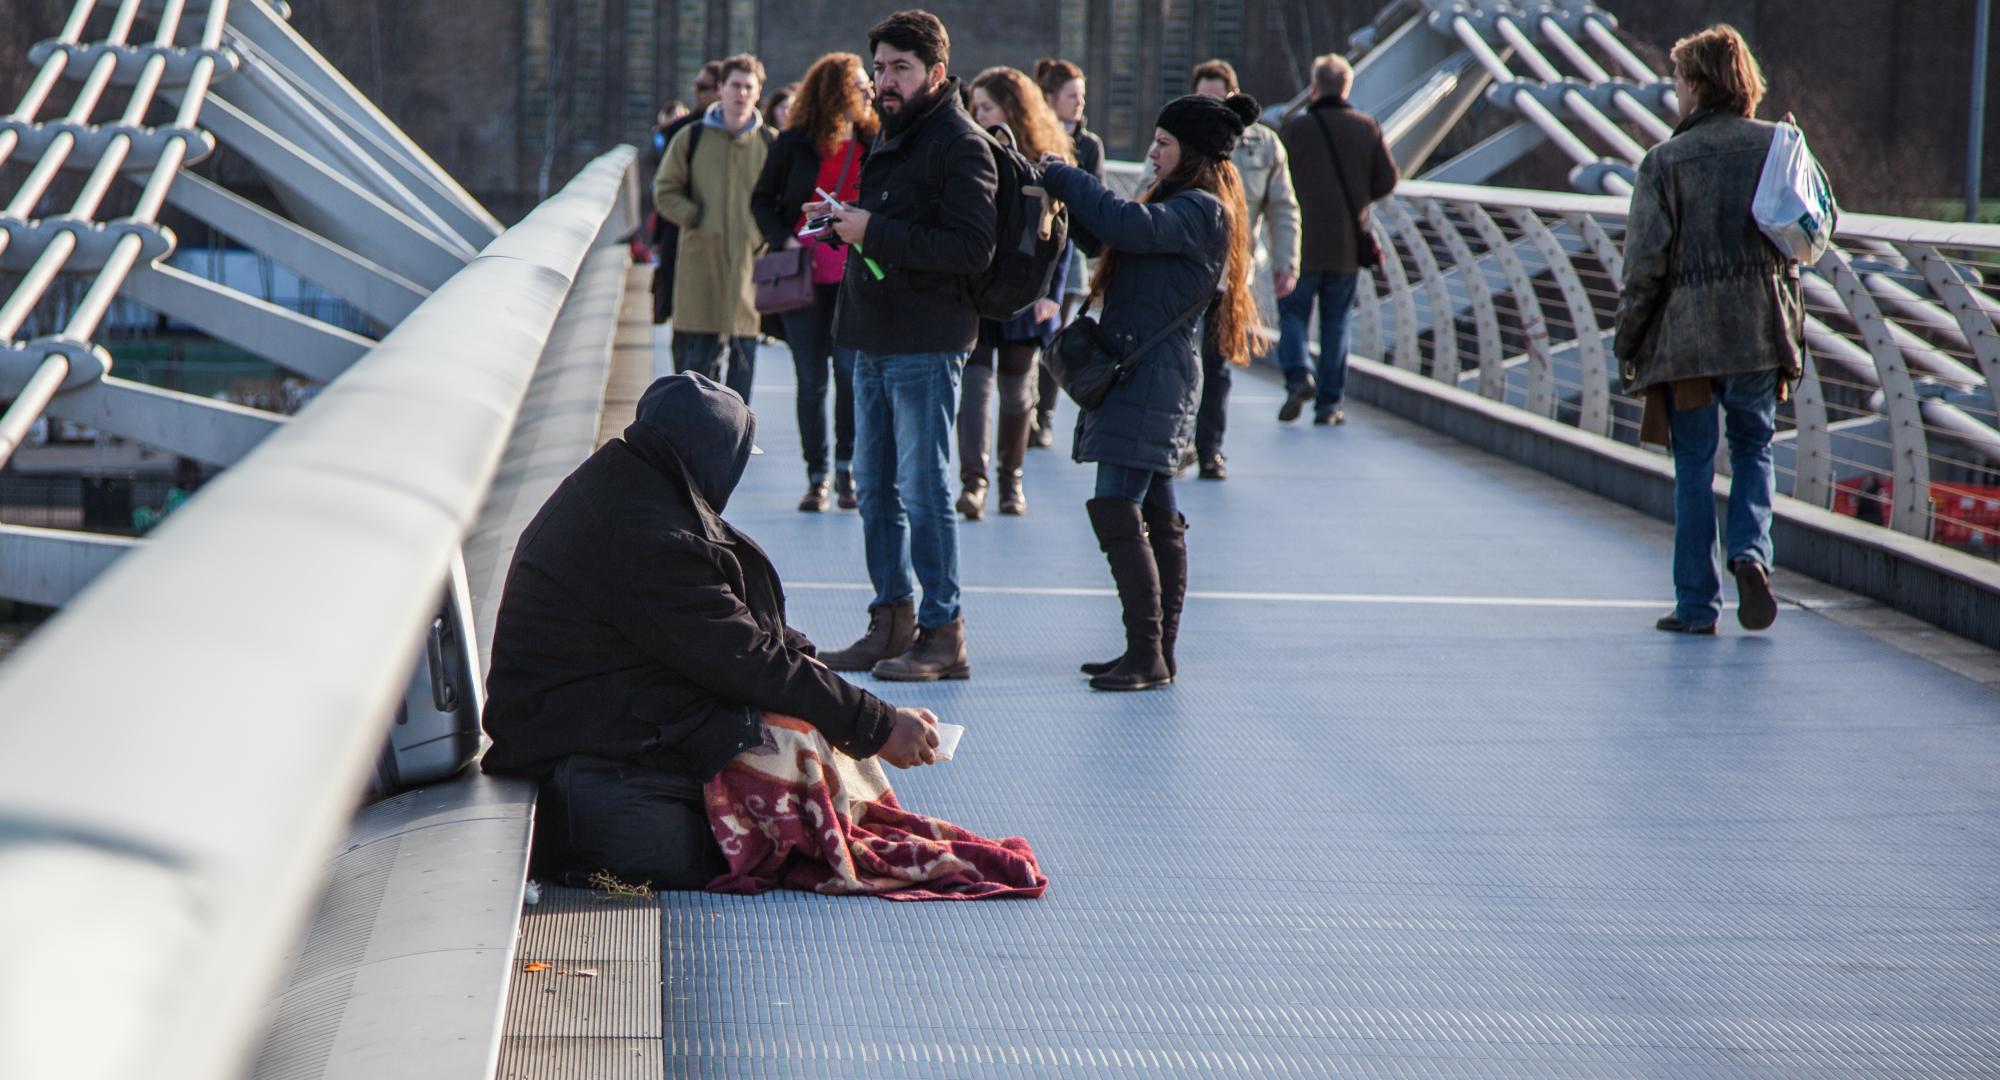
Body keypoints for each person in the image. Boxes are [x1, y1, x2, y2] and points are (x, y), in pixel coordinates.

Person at [481, 373, 942, 890]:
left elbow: (741, 640)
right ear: (714, 458)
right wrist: (874, 725)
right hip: (568, 770)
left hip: (572, 731)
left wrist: (844, 701)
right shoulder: (650, 536)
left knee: (769, 753)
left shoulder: (629, 488)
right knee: (740, 825)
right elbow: (747, 658)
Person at [1039, 93, 1263, 691]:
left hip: (1151, 379)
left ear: (1191, 153)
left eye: (1163, 144)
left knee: (1117, 505)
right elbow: (1111, 240)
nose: (1152, 152)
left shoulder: (1203, 210)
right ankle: (1154, 650)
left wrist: (1068, 175)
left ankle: (1147, 652)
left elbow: (1124, 226)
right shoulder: (1182, 205)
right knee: (1158, 514)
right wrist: (1063, 196)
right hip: (1149, 375)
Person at [808, 10, 997, 682]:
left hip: (924, 342)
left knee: (922, 489)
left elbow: (972, 249)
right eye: (881, 68)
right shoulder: (896, 133)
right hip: (870, 334)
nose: (885, 81)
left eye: (901, 69)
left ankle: (944, 633)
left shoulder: (958, 143)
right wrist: (842, 226)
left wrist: (872, 231)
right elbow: (887, 227)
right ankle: (892, 623)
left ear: (936, 74)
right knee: (874, 489)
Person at [1615, 24, 1803, 636]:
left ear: (1696, 85)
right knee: (1754, 447)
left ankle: (1697, 606)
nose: (1676, 93)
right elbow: (1807, 236)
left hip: (1688, 342)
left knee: (1693, 464)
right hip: (1758, 331)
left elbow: (1645, 266)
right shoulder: (1779, 145)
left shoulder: (1664, 162)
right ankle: (1751, 554)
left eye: (1677, 82)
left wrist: (1630, 340)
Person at [752, 53, 878, 513]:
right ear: (837, 91)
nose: (870, 90)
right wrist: (782, 239)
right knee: (811, 379)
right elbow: (761, 200)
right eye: (862, 83)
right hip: (803, 275)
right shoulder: (794, 143)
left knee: (850, 375)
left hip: (855, 277)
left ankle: (846, 470)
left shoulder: (875, 140)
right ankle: (816, 476)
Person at [956, 66, 1072, 519]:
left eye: (986, 107)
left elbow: (1060, 237)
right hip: (980, 288)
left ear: (1012, 107)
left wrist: (1052, 294)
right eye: (975, 107)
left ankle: (1011, 481)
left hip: (1025, 291)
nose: (978, 115)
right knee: (976, 388)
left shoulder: (1046, 154)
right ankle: (974, 483)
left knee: (1018, 391)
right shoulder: (969, 152)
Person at [1187, 59, 1299, 480]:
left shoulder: (1263, 146)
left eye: (1217, 99)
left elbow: (1283, 207)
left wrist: (1286, 262)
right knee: (1178, 358)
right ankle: (1177, 440)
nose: (1210, 108)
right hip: (1181, 268)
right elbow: (1151, 187)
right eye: (1203, 99)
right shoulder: (1177, 136)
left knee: (1217, 364)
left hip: (1230, 274)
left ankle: (1209, 449)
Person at [1275, 53, 1397, 426]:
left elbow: (1276, 184)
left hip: (1300, 244)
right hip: (1345, 246)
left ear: (1314, 87)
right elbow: (1388, 180)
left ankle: (1298, 375)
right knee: (1336, 324)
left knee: (1293, 314)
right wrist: (1361, 199)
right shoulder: (1367, 128)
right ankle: (1329, 405)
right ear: (1346, 87)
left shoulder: (1295, 130)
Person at [655, 54, 772, 403]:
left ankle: (734, 448)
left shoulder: (769, 143)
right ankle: (692, 449)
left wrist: (760, 233)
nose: (741, 93)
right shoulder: (691, 138)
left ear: (758, 92)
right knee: (696, 377)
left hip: (748, 273)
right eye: (735, 85)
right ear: (721, 88)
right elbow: (664, 190)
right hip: (699, 268)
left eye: (748, 87)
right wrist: (695, 217)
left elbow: (785, 201)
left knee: (741, 377)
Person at [1031, 57, 1102, 449]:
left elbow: (1100, 198)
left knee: (1053, 334)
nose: (1079, 103)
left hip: (1071, 249)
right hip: (1035, 246)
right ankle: (1024, 406)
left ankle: (1043, 414)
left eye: (1082, 96)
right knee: (1027, 333)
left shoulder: (1090, 145)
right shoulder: (1034, 137)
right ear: (1051, 99)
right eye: (1071, 96)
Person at [650, 65, 722, 328]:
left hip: (726, 241)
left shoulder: (754, 136)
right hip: (681, 232)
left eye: (703, 87)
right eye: (696, 86)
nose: (696, 93)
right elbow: (666, 186)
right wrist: (659, 237)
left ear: (720, 90)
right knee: (683, 316)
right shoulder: (681, 131)